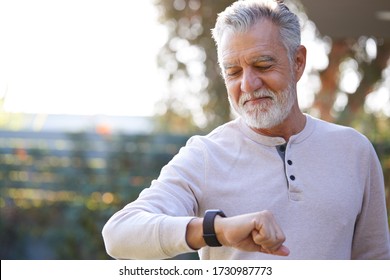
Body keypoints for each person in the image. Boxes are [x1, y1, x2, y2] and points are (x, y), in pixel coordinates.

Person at [102, 0, 390, 260]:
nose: (248, 85)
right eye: (233, 72)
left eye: (262, 65)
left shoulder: (355, 151)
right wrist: (217, 230)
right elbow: (119, 234)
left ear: (298, 62)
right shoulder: (205, 155)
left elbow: (376, 261)